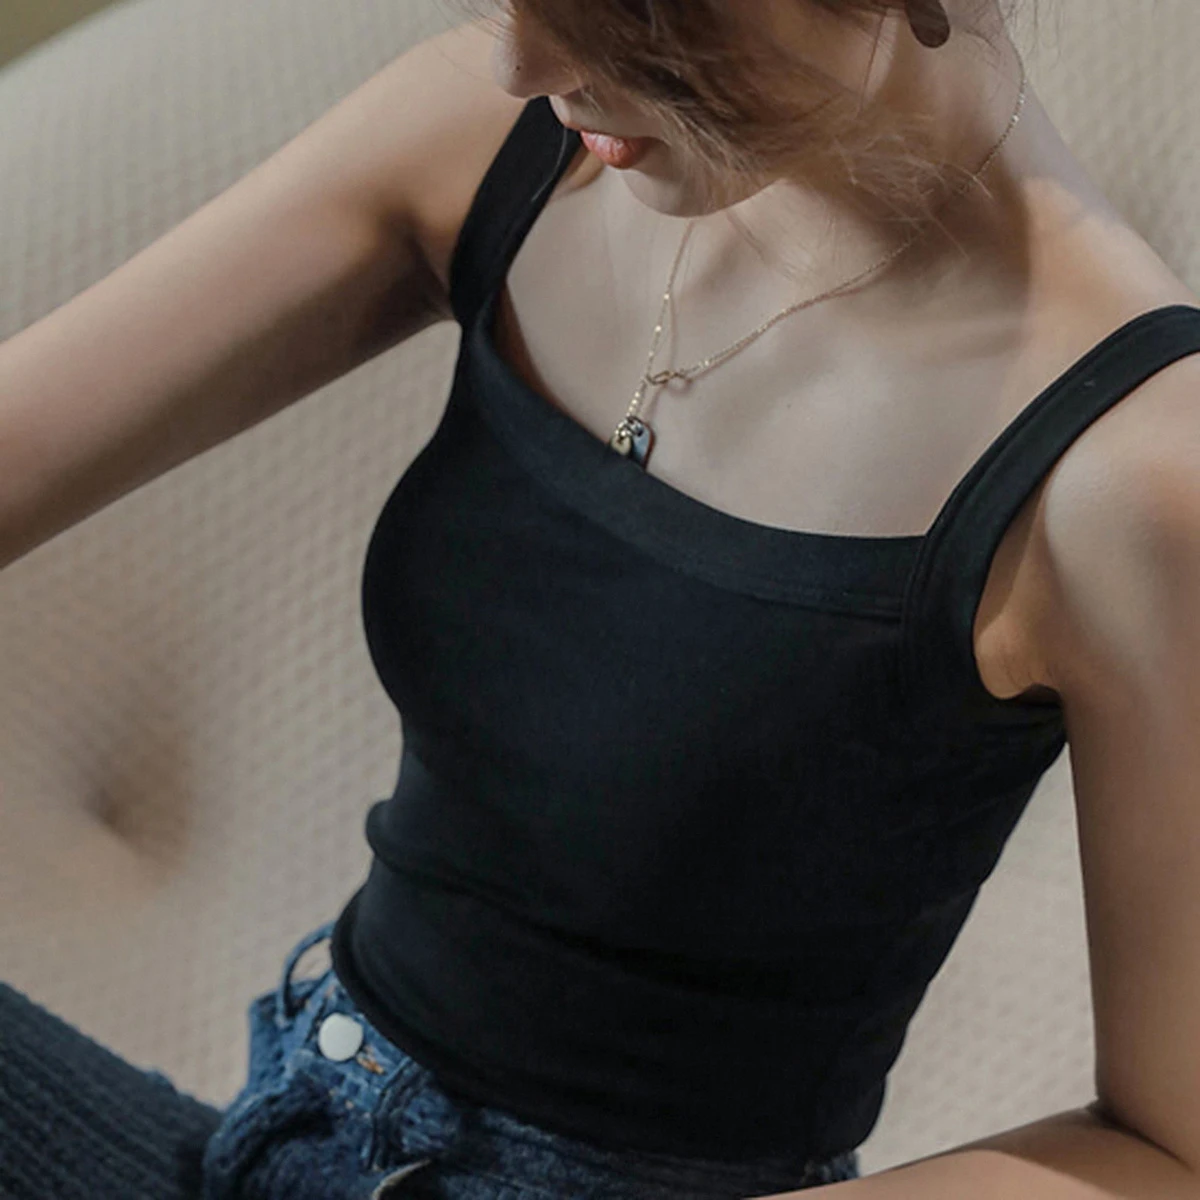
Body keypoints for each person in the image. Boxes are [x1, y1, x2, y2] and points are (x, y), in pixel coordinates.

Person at [3, 0, 1200, 1197]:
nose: (523, 60)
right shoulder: (505, 146)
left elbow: (1173, 1150)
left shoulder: (1133, 470)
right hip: (286, 1121)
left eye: (620, 13)